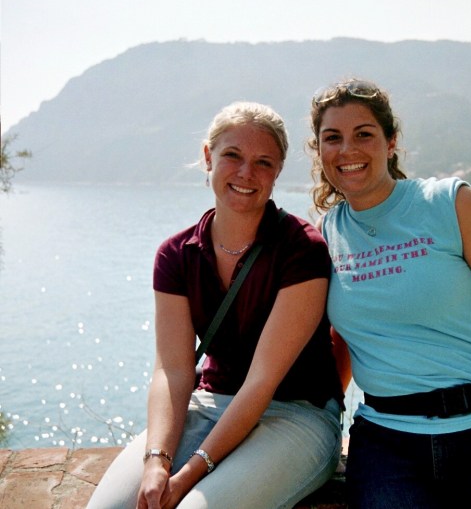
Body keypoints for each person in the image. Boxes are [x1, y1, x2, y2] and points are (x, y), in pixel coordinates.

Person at [88, 102, 344, 509]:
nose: (246, 173)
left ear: (278, 171)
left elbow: (262, 381)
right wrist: (157, 461)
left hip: (297, 414)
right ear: (208, 156)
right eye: (232, 155)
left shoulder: (302, 249)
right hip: (211, 404)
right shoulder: (176, 254)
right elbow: (172, 371)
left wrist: (188, 474)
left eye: (263, 162)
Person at [307, 79, 471, 508]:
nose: (347, 149)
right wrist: (326, 415)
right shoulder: (326, 234)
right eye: (333, 138)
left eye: (363, 134)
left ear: (390, 142)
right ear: (319, 149)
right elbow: (345, 336)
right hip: (387, 447)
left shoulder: (450, 203)